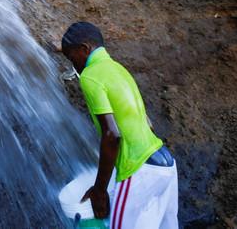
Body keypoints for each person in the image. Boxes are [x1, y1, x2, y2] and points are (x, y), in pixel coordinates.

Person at [61, 22, 179, 228]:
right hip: (165, 163)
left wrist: (99, 190)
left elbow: (112, 135)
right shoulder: (118, 69)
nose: (74, 66)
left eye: (72, 58)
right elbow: (148, 124)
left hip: (139, 170)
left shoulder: (90, 76)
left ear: (84, 49)